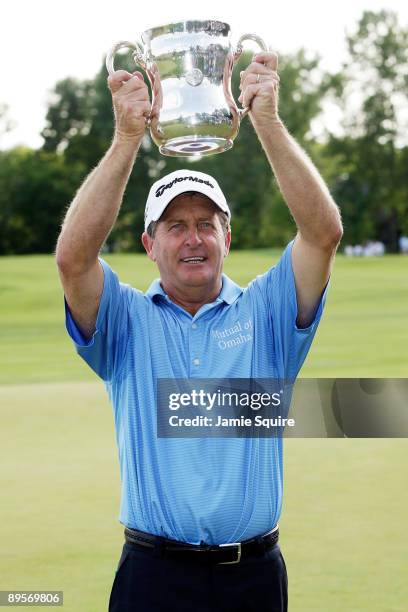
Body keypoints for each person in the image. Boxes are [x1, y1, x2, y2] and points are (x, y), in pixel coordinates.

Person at [55, 50, 343, 612]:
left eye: (206, 225)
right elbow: (73, 259)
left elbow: (323, 234)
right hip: (154, 577)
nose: (193, 239)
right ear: (149, 244)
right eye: (175, 226)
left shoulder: (266, 312)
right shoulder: (126, 320)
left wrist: (268, 121)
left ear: (226, 239)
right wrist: (125, 140)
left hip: (253, 577)